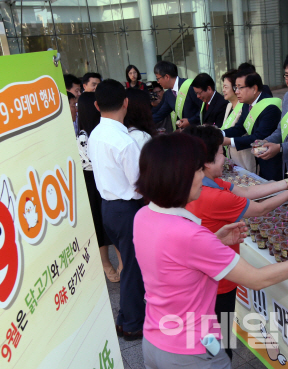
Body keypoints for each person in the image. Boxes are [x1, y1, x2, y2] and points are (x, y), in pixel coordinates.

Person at [133, 133, 288, 368]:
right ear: (180, 177)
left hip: (155, 339)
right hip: (191, 351)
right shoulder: (190, 235)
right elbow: (258, 279)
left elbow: (175, 260)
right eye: (198, 170)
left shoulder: (143, 215)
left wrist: (214, 239)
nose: (201, 176)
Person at [182, 125, 288, 360]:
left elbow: (244, 191)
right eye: (220, 153)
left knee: (210, 332)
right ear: (206, 162)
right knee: (220, 337)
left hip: (202, 274)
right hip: (220, 278)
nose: (224, 157)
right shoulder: (214, 196)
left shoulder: (201, 182)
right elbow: (260, 208)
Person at [87, 79, 146, 340]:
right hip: (126, 209)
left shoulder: (96, 133)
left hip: (108, 209)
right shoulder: (125, 141)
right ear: (126, 102)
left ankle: (123, 318)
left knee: (128, 266)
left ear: (97, 105)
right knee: (133, 269)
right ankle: (133, 324)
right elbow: (138, 186)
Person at [76, 92, 123, 283]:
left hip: (104, 181)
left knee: (113, 226)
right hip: (92, 184)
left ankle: (122, 262)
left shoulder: (104, 131)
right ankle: (105, 263)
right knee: (99, 225)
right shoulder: (84, 136)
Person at [222, 70, 282, 180]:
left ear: (254, 89)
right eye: (235, 88)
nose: (237, 92)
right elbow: (240, 127)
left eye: (240, 88)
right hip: (259, 160)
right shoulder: (246, 104)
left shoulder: (269, 107)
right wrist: (220, 133)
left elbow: (259, 136)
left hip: (273, 162)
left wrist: (229, 141)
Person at [221, 69, 256, 173]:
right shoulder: (228, 106)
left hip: (244, 158)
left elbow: (240, 130)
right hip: (231, 158)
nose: (223, 90)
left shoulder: (244, 107)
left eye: (226, 87)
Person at [151, 61, 203, 130]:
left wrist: (190, 121)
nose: (158, 82)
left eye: (158, 78)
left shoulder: (190, 86)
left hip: (200, 130)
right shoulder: (168, 94)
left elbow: (205, 108)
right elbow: (160, 114)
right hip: (187, 133)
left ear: (167, 77)